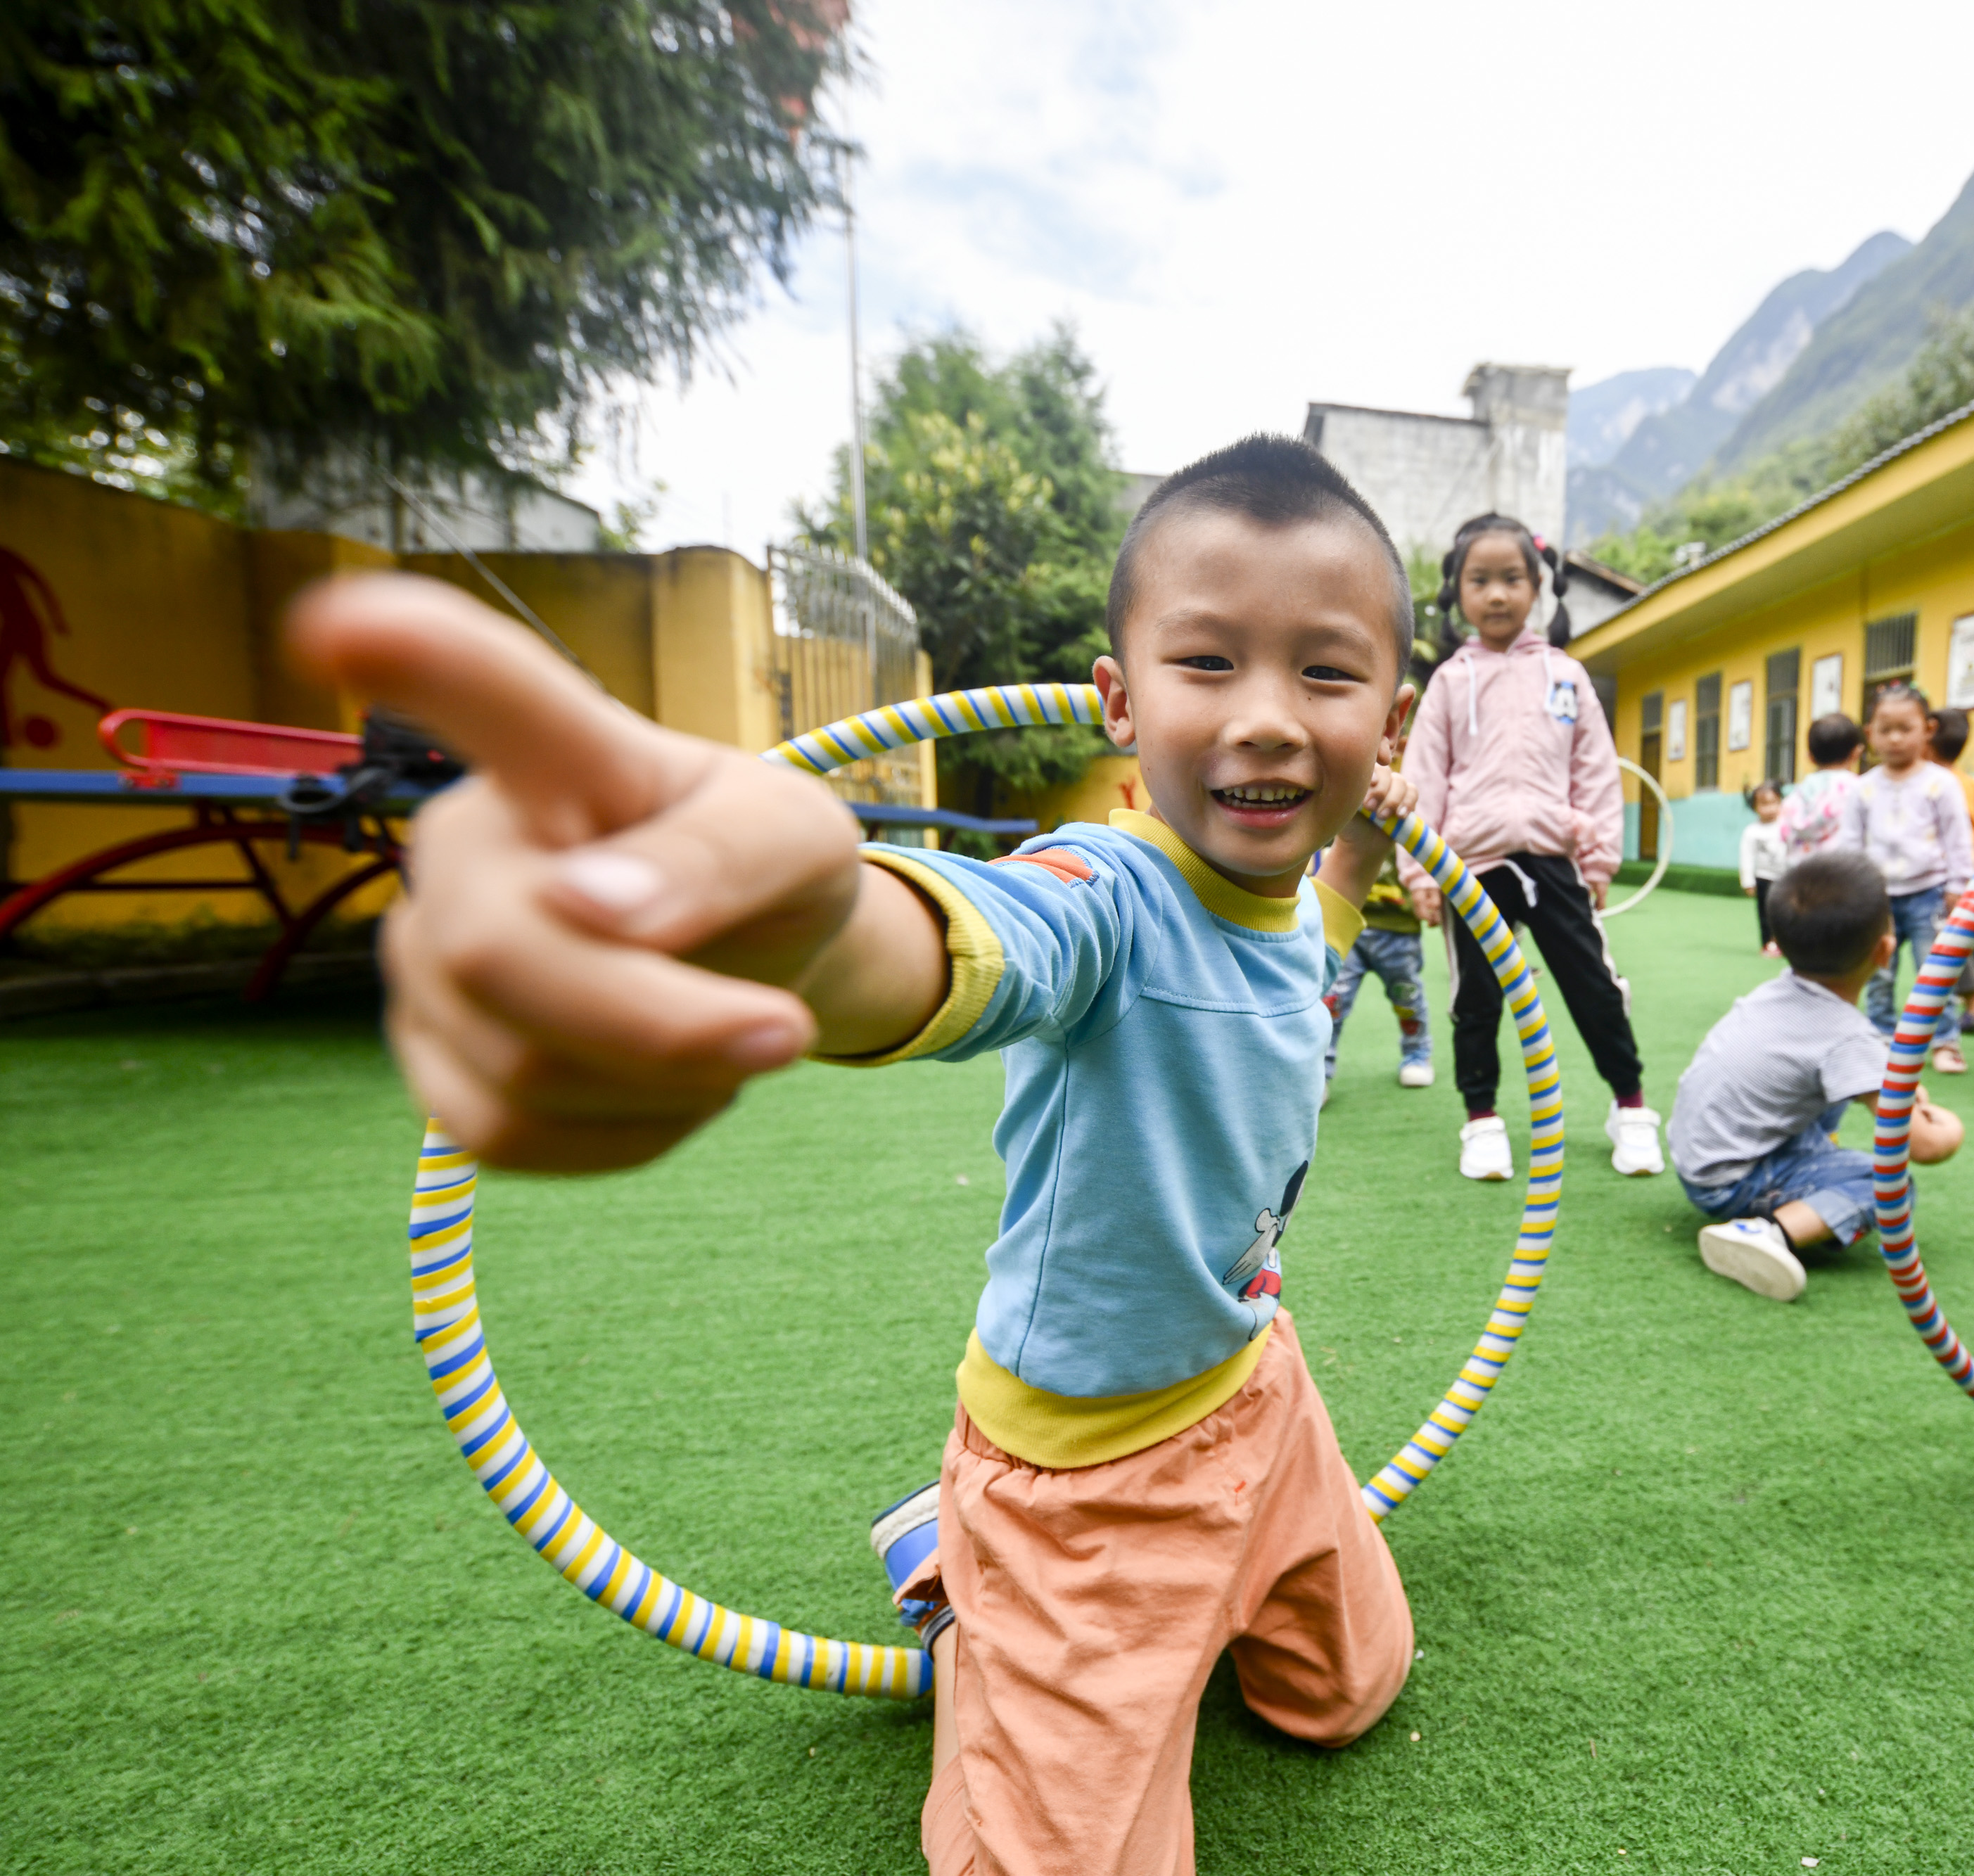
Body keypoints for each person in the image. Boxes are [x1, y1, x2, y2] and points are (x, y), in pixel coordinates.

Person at [292, 434, 1429, 1876]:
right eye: (1207, 663)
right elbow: (964, 942)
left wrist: (1357, 847)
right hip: (1090, 1471)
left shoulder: (1297, 904)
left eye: (1324, 675)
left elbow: (1314, 936)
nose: (1267, 719)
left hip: (1260, 1387)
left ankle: (994, 1568)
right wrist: (800, 923)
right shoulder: (1106, 891)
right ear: (1119, 701)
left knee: (1347, 1693)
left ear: (1389, 720)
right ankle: (975, 1599)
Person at [1400, 513, 1662, 1184]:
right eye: (1479, 580)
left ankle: (1630, 1106)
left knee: (1593, 985)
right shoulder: (1449, 682)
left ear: (1538, 586)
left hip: (1552, 858)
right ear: (1456, 591)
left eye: (1512, 578)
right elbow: (1424, 780)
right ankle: (1482, 1120)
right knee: (1476, 996)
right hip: (1470, 868)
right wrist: (1422, 872)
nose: (1496, 594)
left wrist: (1598, 858)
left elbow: (1595, 770)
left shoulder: (1565, 675)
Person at [1671, 850, 1966, 1302]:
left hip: (1700, 1155)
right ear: (1885, 951)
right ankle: (1767, 1232)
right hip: (1732, 1179)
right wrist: (1945, 1125)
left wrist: (1895, 1086)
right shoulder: (1845, 1038)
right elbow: (1926, 1146)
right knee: (1890, 1185)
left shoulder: (1774, 994)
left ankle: (1798, 1181)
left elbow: (1855, 1064)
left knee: (1829, 1086)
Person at [1840, 681, 1974, 1073]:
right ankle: (1881, 1034)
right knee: (1878, 971)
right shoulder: (1863, 788)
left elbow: (1958, 837)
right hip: (1877, 896)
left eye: (1905, 728)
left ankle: (1945, 1040)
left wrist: (1959, 885)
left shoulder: (1941, 783)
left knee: (1934, 970)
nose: (1895, 738)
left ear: (1928, 730)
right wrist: (1852, 887)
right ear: (1870, 734)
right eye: (1885, 730)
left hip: (1929, 893)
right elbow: (1850, 842)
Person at [1323, 853, 1432, 1089]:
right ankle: (1319, 1072)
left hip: (1398, 930)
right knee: (1332, 1002)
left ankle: (1417, 1055)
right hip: (1347, 923)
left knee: (1407, 998)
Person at [1926, 706, 1974, 1034]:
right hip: (1972, 872)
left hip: (1941, 878)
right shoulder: (1973, 785)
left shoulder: (1930, 784)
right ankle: (1969, 1001)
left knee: (1947, 939)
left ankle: (1971, 1001)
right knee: (1954, 938)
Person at [1775, 713, 1864, 862]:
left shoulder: (1797, 795)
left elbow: (1783, 834)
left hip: (1802, 873)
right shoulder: (1860, 789)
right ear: (1856, 753)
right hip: (1845, 872)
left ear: (1810, 757)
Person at [1738, 778, 1788, 955]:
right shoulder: (1752, 831)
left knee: (1786, 912)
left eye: (1774, 803)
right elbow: (1747, 856)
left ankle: (1785, 944)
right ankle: (1768, 943)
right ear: (1754, 807)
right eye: (1764, 804)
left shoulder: (1787, 825)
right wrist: (1748, 881)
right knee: (1765, 913)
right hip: (1764, 878)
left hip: (1786, 877)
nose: (1770, 808)